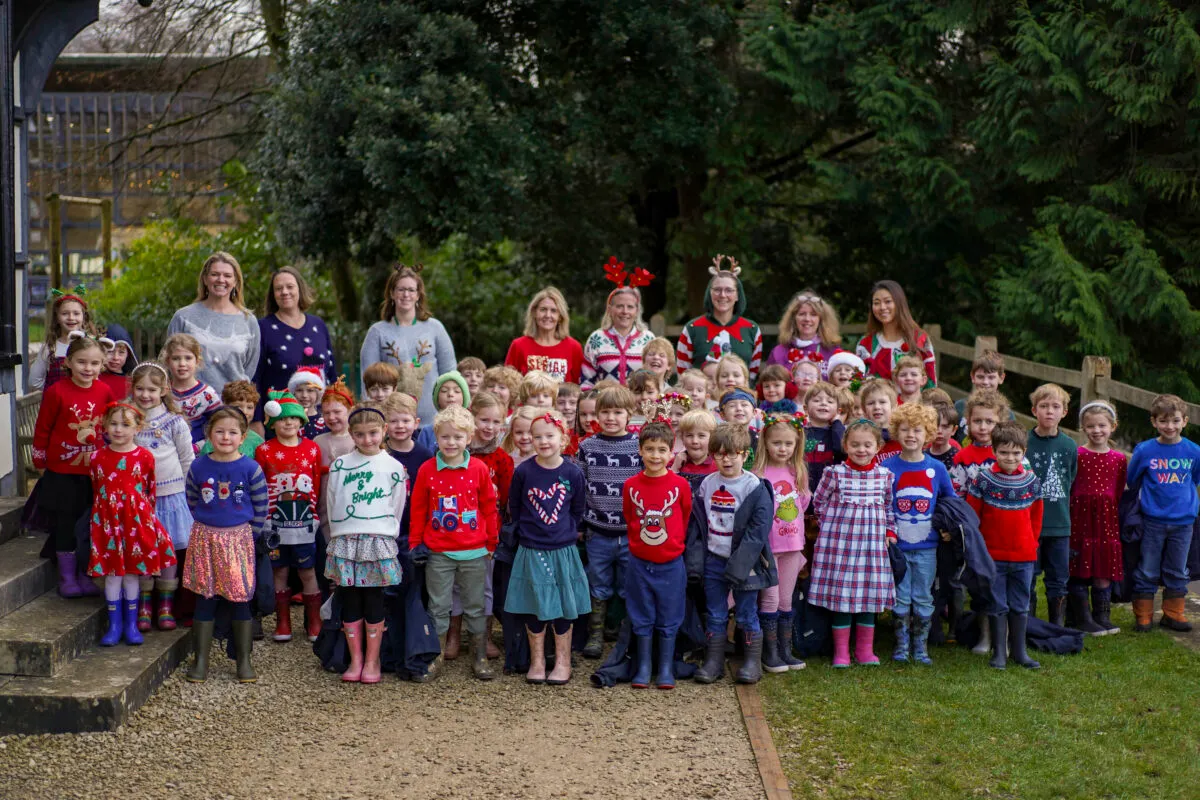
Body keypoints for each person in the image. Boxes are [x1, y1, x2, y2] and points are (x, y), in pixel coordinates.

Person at [408, 405, 500, 681]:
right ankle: (435, 657)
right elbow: (418, 509)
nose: (451, 442)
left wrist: (492, 542)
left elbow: (489, 507)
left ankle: (479, 657)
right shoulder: (427, 470)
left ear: (469, 438)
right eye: (445, 437)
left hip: (474, 550)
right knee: (438, 606)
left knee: (475, 605)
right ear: (436, 437)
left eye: (458, 437)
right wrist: (415, 542)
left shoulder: (479, 469)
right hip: (439, 551)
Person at [183, 407, 269, 683]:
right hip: (205, 538)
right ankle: (201, 661)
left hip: (239, 539)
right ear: (209, 434)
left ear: (243, 437)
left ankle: (244, 661)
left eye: (232, 432)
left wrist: (250, 534)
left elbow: (261, 504)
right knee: (205, 597)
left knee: (239, 597)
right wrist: (205, 523)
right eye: (219, 431)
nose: (225, 437)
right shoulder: (198, 466)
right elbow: (192, 497)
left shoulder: (250, 468)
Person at [686, 423, 776, 685]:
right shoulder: (708, 484)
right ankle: (714, 661)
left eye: (733, 454)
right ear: (713, 455)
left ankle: (752, 663)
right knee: (715, 612)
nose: (726, 460)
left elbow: (758, 531)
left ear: (744, 454)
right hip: (714, 559)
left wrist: (740, 565)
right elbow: (699, 523)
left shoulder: (754, 487)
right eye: (720, 454)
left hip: (745, 562)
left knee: (747, 613)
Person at [324, 406, 407, 683]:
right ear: (351, 434)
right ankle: (355, 659)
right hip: (346, 540)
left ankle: (373, 660)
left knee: (373, 598)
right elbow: (333, 501)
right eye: (359, 434)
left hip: (377, 540)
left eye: (373, 433)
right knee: (349, 597)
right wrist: (338, 534)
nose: (367, 439)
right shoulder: (340, 465)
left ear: (384, 431)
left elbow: (397, 506)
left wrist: (386, 534)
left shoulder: (393, 467)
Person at [506, 411, 590, 685]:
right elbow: (515, 506)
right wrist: (527, 531)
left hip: (562, 550)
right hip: (532, 548)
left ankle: (563, 661)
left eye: (549, 436)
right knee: (535, 604)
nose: (543, 442)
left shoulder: (572, 473)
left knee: (563, 605)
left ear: (563, 438)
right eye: (537, 437)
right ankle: (538, 661)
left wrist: (564, 532)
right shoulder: (524, 471)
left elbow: (578, 509)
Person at [87, 402, 177, 647]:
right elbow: (97, 489)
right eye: (113, 424)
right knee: (113, 574)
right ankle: (114, 626)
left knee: (131, 574)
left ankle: (131, 624)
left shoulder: (145, 456)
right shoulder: (97, 457)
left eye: (125, 425)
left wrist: (145, 520)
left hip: (136, 522)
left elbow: (149, 490)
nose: (118, 429)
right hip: (107, 522)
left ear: (138, 428)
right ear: (105, 426)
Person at [808, 419, 896, 668]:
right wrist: (830, 526)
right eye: (855, 444)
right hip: (840, 548)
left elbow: (889, 507)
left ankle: (864, 650)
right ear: (845, 445)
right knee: (843, 597)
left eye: (867, 445)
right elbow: (819, 502)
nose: (861, 450)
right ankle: (841, 652)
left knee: (868, 596)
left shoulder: (884, 476)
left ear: (878, 447)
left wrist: (890, 531)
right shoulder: (834, 473)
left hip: (871, 548)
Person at [32, 335, 114, 597]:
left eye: (94, 363)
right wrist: (40, 460)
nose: (88, 368)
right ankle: (67, 578)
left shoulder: (105, 391)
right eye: (81, 362)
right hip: (63, 472)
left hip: (94, 473)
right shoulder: (56, 392)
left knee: (89, 524)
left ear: (102, 365)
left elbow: (111, 427)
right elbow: (43, 428)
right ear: (67, 362)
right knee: (66, 523)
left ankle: (84, 574)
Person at [966, 421, 1043, 670]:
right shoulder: (983, 480)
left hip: (1024, 556)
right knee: (997, 603)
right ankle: (999, 652)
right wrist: (979, 551)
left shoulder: (1032, 481)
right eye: (1004, 452)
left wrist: (1031, 544)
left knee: (1020, 604)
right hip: (993, 556)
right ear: (994, 451)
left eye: (1016, 453)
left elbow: (1036, 518)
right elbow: (972, 516)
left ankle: (1019, 652)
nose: (1010, 457)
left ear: (1024, 452)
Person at [622, 420, 693, 689]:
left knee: (670, 613)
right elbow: (630, 516)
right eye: (650, 449)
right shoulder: (631, 485)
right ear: (640, 450)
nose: (655, 455)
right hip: (639, 563)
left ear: (671, 452)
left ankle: (665, 668)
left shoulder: (680, 485)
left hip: (671, 563)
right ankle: (644, 666)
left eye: (662, 450)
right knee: (641, 613)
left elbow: (684, 516)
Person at [882, 403, 955, 665]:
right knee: (900, 595)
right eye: (905, 429)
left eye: (917, 430)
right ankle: (901, 645)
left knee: (923, 595)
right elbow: (882, 503)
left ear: (928, 434)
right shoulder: (887, 467)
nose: (911, 435)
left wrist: (947, 527)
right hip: (897, 547)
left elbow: (950, 500)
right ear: (896, 432)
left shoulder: (937, 468)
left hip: (927, 547)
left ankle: (920, 647)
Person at [578, 384, 643, 658]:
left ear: (629, 414)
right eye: (605, 412)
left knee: (628, 582)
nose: (611, 418)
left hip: (630, 532)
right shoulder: (587, 447)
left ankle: (624, 632)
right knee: (598, 581)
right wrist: (580, 524)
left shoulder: (638, 446)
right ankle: (596, 633)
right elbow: (580, 486)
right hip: (598, 530)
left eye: (618, 412)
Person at [129, 362, 195, 631]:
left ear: (164, 390)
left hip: (171, 495)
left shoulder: (174, 422)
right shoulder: (128, 420)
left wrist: (190, 493)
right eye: (140, 388)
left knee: (169, 550)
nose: (145, 395)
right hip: (140, 499)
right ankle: (145, 604)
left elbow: (187, 459)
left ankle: (166, 605)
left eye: (152, 390)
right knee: (144, 548)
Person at [1128, 394, 1200, 633]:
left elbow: (1195, 478)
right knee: (1148, 568)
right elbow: (1133, 479)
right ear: (1154, 422)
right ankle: (1144, 615)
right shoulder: (1145, 450)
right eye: (1163, 421)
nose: (1170, 426)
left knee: (1178, 569)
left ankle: (1173, 613)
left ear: (1185, 421)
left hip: (1184, 522)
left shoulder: (1194, 451)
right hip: (1152, 521)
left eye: (1175, 420)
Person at [255, 390, 323, 644]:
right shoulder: (264, 450)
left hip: (305, 522)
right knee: (279, 571)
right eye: (282, 418)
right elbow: (260, 485)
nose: (288, 423)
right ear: (273, 423)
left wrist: (314, 513)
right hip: (275, 524)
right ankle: (282, 621)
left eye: (293, 418)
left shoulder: (312, 449)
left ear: (301, 421)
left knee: (307, 571)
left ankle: (314, 621)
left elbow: (316, 482)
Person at [360, 264, 456, 423]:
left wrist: (452, 413)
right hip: (393, 423)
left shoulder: (435, 328)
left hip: (434, 423)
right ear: (392, 293)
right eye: (401, 289)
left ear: (418, 295)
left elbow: (450, 374)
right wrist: (372, 418)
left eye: (411, 290)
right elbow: (367, 381)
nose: (406, 295)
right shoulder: (377, 332)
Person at [752, 413, 810, 673]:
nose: (783, 448)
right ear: (765, 443)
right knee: (770, 599)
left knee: (786, 599)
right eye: (777, 443)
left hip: (793, 545)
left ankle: (785, 650)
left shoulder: (798, 472)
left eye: (789, 443)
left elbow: (803, 503)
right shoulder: (758, 474)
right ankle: (770, 653)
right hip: (769, 548)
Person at [252, 266, 337, 435]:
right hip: (280, 423)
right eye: (279, 288)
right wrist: (256, 421)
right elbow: (255, 378)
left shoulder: (318, 325)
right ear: (273, 294)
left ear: (300, 289)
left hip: (321, 423)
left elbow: (332, 375)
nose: (285, 292)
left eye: (290, 286)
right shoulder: (262, 328)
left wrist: (339, 412)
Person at [167, 252, 261, 394]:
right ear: (205, 279)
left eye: (227, 276)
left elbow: (250, 367)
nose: (221, 280)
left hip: (233, 403)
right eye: (215, 274)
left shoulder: (249, 321)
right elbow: (169, 361)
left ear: (236, 281)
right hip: (191, 402)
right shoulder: (184, 317)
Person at [1069, 402, 1125, 636]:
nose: (1097, 430)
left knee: (1104, 565)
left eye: (1102, 425)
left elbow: (1118, 490)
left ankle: (1102, 615)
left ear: (1113, 426)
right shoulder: (1077, 455)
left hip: (1106, 519)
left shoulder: (1118, 459)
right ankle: (1081, 617)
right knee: (1079, 564)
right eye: (1091, 426)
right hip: (1080, 517)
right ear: (1083, 428)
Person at [1025, 384, 1077, 627]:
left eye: (1055, 407)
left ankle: (1057, 625)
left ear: (1064, 412)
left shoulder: (1069, 446)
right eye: (1044, 406)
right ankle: (1029, 625)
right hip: (1029, 525)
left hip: (1059, 524)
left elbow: (1071, 479)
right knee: (1028, 575)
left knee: (1058, 578)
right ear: (1034, 410)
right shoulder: (1024, 442)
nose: (1049, 411)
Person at [676, 255, 763, 383]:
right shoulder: (692, 329)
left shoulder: (752, 330)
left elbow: (752, 375)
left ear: (737, 295)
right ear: (710, 293)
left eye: (729, 290)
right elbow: (683, 375)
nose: (722, 295)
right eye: (717, 290)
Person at [582, 262, 656, 388]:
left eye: (630, 307)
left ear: (637, 311)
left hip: (639, 400)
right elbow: (586, 381)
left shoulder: (648, 339)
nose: (625, 311)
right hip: (604, 400)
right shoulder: (596, 339)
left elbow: (656, 378)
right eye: (620, 306)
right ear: (609, 309)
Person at [855, 280, 936, 385]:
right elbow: (856, 383)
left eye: (888, 301)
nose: (882, 307)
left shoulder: (920, 339)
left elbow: (931, 384)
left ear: (899, 303)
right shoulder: (865, 344)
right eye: (876, 303)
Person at [504, 287, 584, 383]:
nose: (548, 315)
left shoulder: (574, 347)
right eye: (543, 310)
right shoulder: (518, 346)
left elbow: (579, 387)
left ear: (560, 316)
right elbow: (507, 385)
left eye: (553, 311)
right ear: (534, 312)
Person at [28, 286, 99, 390]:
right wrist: (55, 391)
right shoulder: (50, 347)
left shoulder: (93, 345)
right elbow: (34, 381)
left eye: (76, 313)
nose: (71, 317)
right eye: (65, 313)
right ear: (57, 317)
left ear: (83, 317)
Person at [161, 333, 222, 446]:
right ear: (168, 361)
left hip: (198, 453)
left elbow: (220, 426)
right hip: (166, 451)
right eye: (176, 358)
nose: (182, 364)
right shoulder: (161, 392)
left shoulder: (207, 395)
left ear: (197, 361)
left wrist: (200, 446)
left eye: (188, 358)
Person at [767, 290, 843, 378]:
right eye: (802, 314)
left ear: (821, 320)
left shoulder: (834, 352)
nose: (807, 319)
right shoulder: (778, 352)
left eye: (813, 314)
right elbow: (769, 383)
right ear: (793, 319)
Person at [950, 390, 1009, 495]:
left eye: (989, 421)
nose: (982, 427)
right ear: (968, 421)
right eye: (977, 421)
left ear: (1001, 423)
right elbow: (956, 495)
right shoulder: (962, 457)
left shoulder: (1011, 453)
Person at [954, 350, 1012, 439]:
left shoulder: (1007, 414)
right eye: (980, 377)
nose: (985, 382)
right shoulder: (959, 407)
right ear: (973, 377)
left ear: (1001, 378)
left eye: (991, 377)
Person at [199, 381, 264, 458]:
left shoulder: (257, 442)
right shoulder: (214, 441)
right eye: (238, 407)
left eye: (249, 407)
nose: (245, 412)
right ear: (226, 406)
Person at [413, 370, 471, 452]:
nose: (450, 394)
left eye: (457, 391)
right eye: (444, 390)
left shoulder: (471, 428)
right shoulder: (427, 431)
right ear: (437, 399)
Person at [803, 382, 845, 493]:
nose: (823, 403)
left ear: (838, 411)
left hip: (832, 489)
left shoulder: (838, 431)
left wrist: (836, 422)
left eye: (830, 401)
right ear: (806, 409)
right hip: (804, 488)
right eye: (817, 400)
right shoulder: (800, 432)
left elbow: (841, 448)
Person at [673, 409, 717, 496]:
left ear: (712, 438)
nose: (695, 441)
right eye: (689, 435)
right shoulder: (674, 463)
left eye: (701, 436)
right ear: (682, 438)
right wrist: (674, 469)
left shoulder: (718, 465)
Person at [288, 350, 330, 439]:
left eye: (310, 390)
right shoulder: (287, 420)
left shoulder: (326, 421)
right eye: (299, 390)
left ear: (318, 394)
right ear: (293, 393)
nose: (304, 395)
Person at [98, 324, 138, 399]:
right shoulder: (94, 378)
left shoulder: (133, 382)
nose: (115, 358)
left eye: (121, 352)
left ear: (128, 354)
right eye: (110, 351)